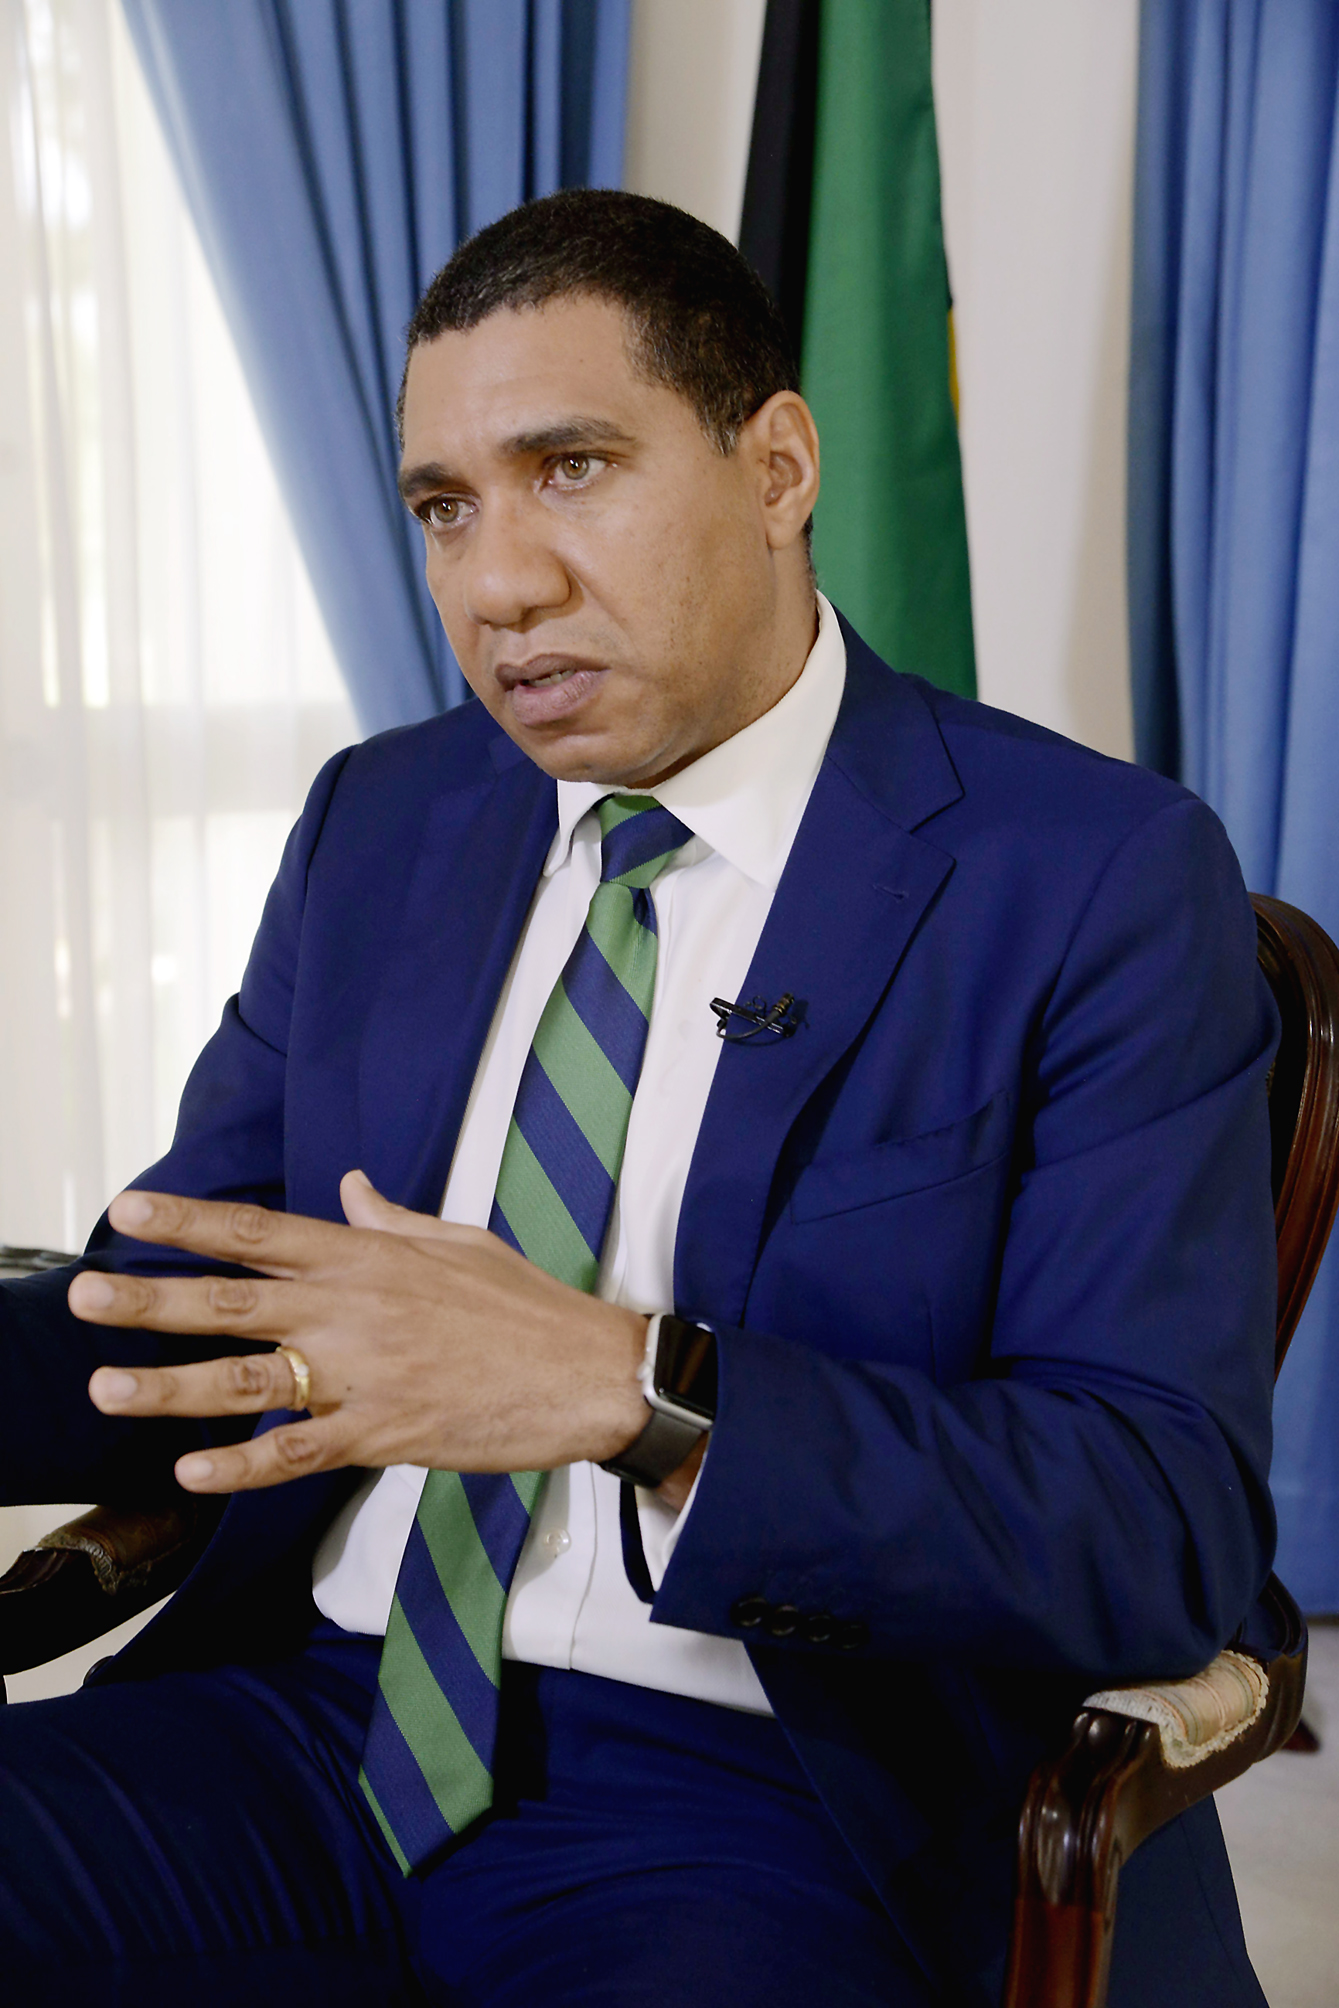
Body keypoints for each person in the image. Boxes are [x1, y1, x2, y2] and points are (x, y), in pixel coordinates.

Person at [0, 190, 1276, 2008]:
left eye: (572, 469)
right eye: (444, 507)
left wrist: (641, 1392)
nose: (496, 584)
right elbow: (182, 1314)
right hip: (315, 1720)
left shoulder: (1087, 875)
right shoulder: (385, 821)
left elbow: (1151, 1522)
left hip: (773, 1790)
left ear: (778, 468)